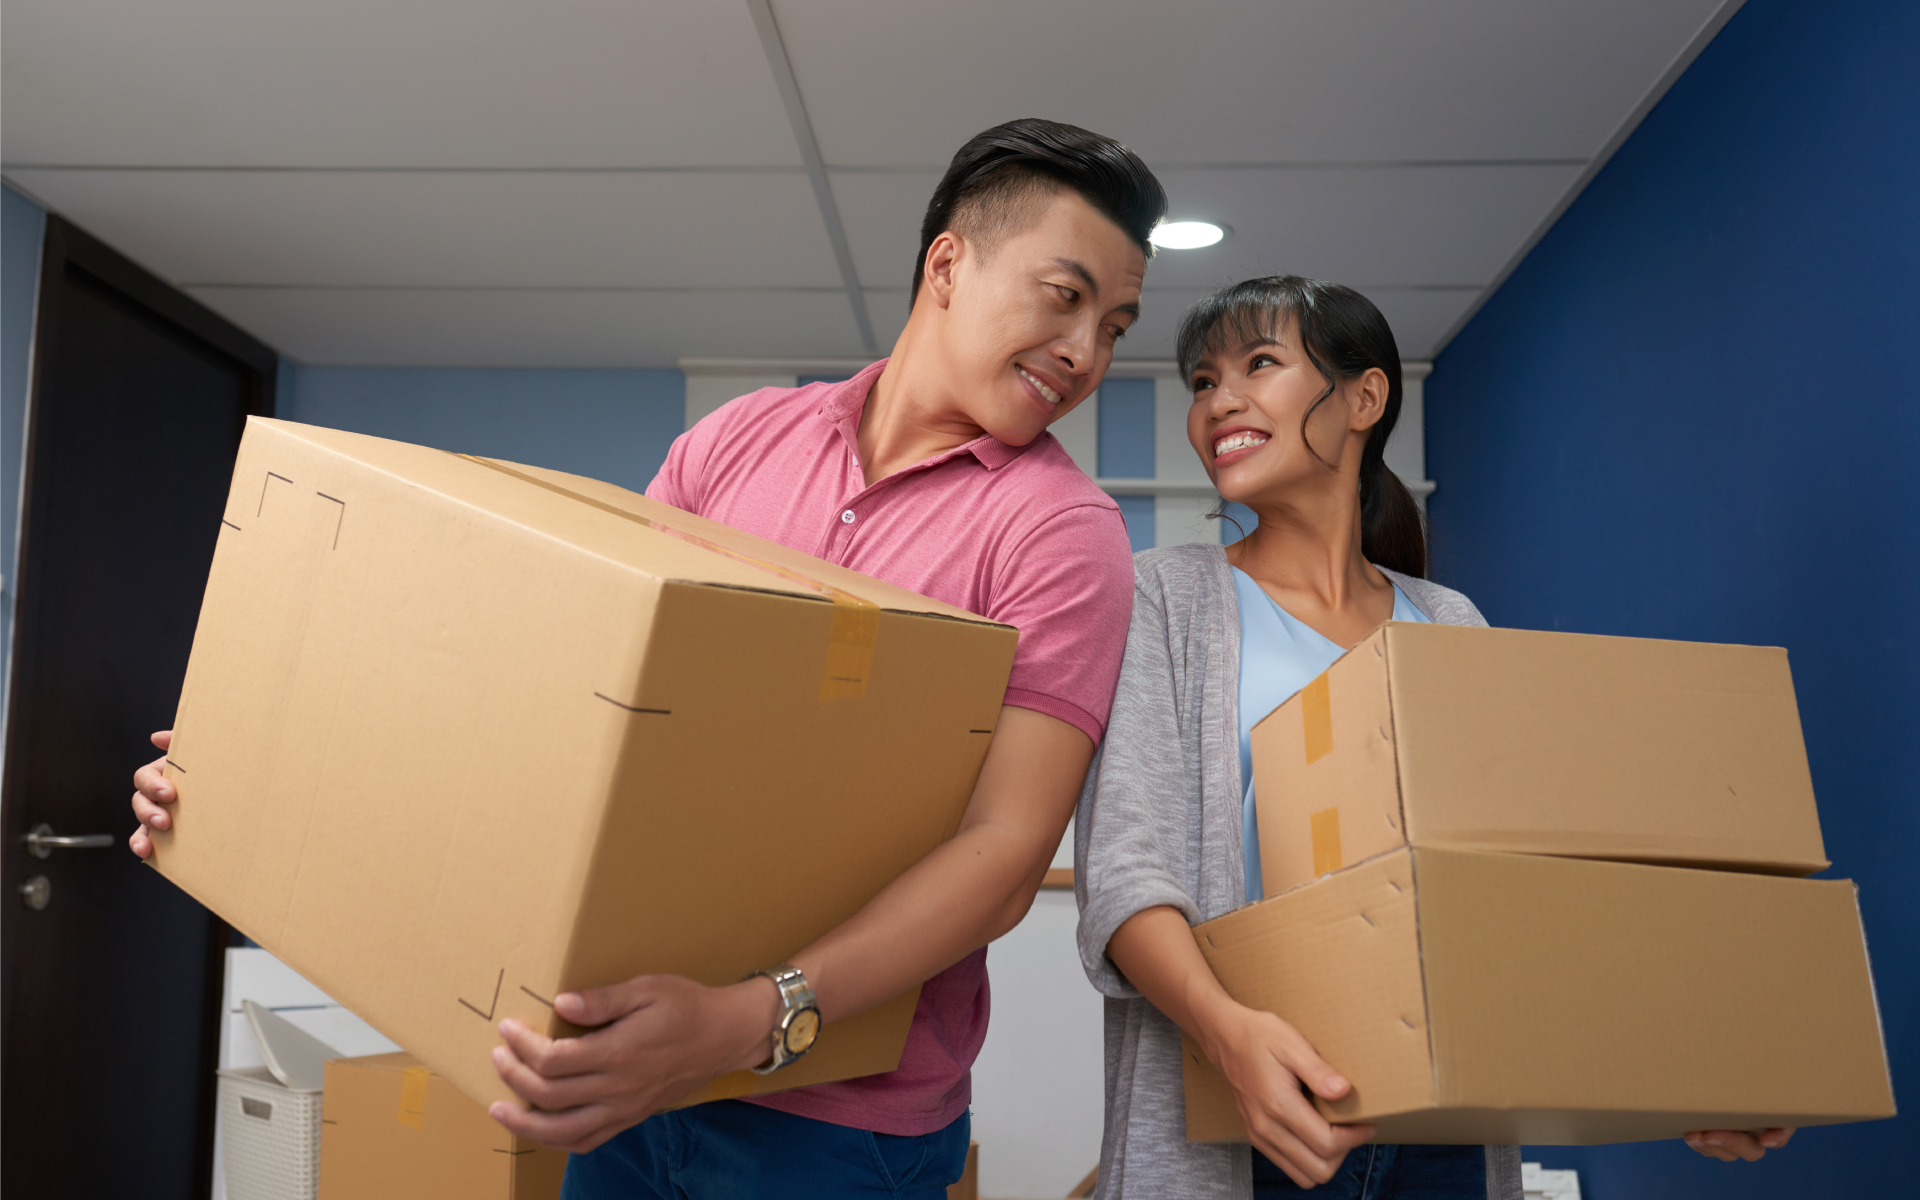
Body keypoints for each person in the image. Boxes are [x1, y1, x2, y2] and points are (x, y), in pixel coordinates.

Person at [129, 118, 1163, 1199]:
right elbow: (568, 707)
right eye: (1066, 295)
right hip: (629, 1076)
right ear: (949, 264)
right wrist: (253, 788)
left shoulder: (1061, 532)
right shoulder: (741, 439)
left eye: (1117, 325)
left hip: (833, 1130)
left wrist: (742, 1018)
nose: (1087, 351)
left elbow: (1003, 854)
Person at [1072, 276, 1793, 1200]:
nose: (1220, 403)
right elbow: (1129, 873)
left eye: (1259, 365)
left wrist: (1673, 1076)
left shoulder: (1448, 622)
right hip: (1252, 1119)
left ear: (1364, 397)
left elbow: (1519, 891)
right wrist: (1227, 1034)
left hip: (1439, 1132)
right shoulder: (1165, 598)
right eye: (1203, 382)